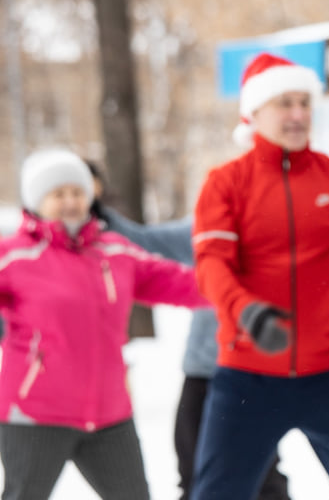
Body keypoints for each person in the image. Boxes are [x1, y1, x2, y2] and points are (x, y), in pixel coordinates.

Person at [190, 52, 329, 500]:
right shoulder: (225, 183)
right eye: (285, 103)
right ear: (254, 112)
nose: (299, 114)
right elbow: (211, 266)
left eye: (305, 102)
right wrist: (249, 313)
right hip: (248, 373)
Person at [0, 148, 209, 500]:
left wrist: (245, 293)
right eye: (58, 194)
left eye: (78, 192)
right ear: (37, 200)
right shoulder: (14, 257)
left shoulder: (115, 252)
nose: (71, 202)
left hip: (109, 415)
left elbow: (181, 282)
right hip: (36, 413)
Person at [97, 205, 291, 500]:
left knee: (261, 471)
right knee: (192, 465)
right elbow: (143, 240)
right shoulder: (204, 231)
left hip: (255, 372)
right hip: (204, 371)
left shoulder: (281, 235)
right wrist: (100, 211)